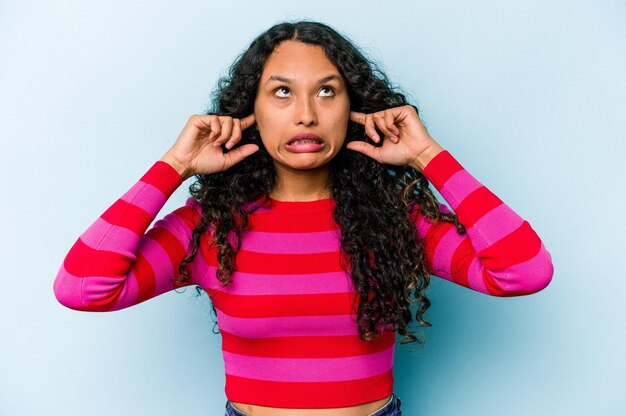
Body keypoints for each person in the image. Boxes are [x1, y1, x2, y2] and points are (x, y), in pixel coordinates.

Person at [53, 20, 554, 416]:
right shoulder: (211, 226)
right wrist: (175, 165)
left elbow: (525, 272)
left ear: (353, 108)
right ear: (251, 111)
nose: (307, 115)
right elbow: (82, 287)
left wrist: (428, 156)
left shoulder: (396, 221)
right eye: (282, 92)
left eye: (327, 91)